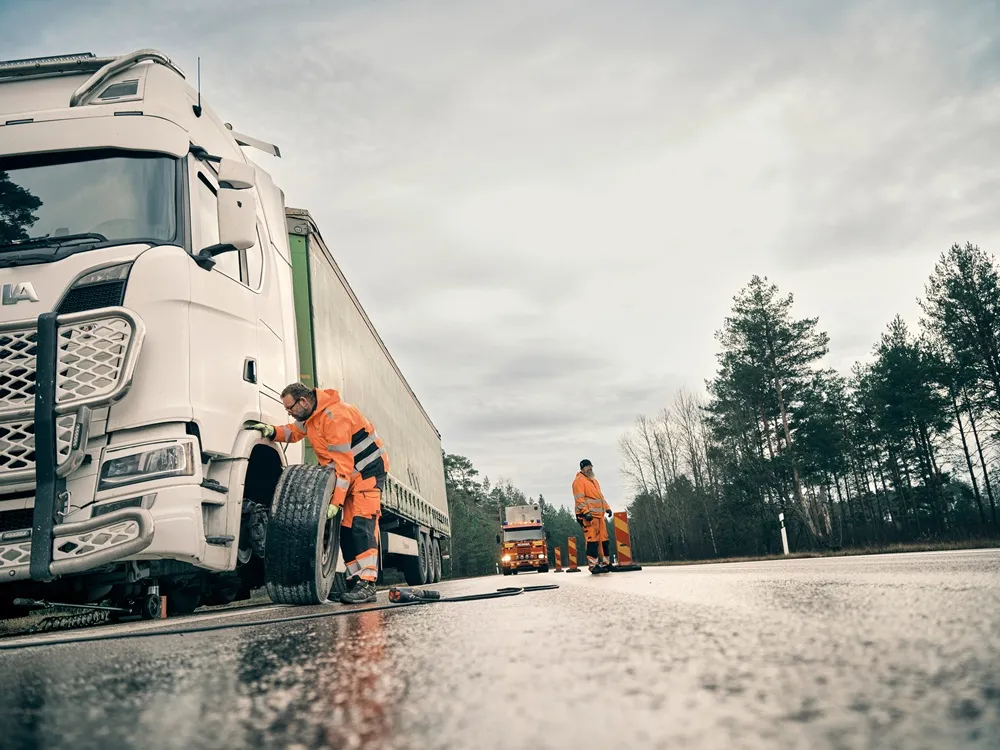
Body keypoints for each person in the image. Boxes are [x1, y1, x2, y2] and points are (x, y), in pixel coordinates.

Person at [249, 383, 389, 604]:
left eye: (290, 408)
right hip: (349, 475)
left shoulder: (335, 417)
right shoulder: (313, 417)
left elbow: (343, 465)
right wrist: (273, 432)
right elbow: (294, 431)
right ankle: (355, 582)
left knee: (362, 525)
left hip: (365, 474)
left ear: (303, 401)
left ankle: (368, 584)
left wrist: (336, 502)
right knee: (346, 531)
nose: (289, 412)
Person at [572, 459, 613, 573]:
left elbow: (600, 497)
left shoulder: (594, 481)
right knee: (592, 541)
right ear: (582, 468)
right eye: (587, 467)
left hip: (599, 516)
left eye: (591, 466)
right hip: (588, 517)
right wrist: (585, 512)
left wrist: (607, 508)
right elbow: (579, 499)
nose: (590, 469)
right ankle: (593, 565)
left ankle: (606, 563)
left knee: (604, 540)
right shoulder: (579, 481)